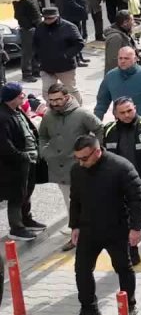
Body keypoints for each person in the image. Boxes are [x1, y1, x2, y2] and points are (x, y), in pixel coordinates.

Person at [66, 134, 141, 315]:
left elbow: (136, 198)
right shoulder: (77, 170)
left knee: (123, 268)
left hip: (116, 229)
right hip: (88, 229)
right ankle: (89, 309)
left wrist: (136, 228)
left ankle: (129, 305)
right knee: (82, 270)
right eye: (77, 158)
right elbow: (75, 199)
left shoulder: (120, 167)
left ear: (97, 151)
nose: (81, 163)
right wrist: (74, 226)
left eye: (84, 158)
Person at [37, 83, 102, 250]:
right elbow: (42, 136)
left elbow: (100, 129)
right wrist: (45, 152)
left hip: (82, 167)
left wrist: (96, 152)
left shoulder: (82, 114)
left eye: (58, 99)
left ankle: (94, 232)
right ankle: (78, 235)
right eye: (51, 100)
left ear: (66, 97)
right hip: (60, 169)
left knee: (90, 202)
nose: (55, 103)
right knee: (70, 203)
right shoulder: (48, 116)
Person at [0, 83, 41, 241]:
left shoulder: (17, 109)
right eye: (20, 95)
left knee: (27, 191)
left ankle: (26, 219)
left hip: (28, 160)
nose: (23, 96)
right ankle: (17, 228)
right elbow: (4, 145)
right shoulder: (3, 117)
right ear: (11, 98)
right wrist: (22, 156)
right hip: (15, 163)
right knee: (16, 195)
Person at [95, 47, 141, 127]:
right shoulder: (110, 77)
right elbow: (102, 102)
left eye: (126, 58)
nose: (123, 61)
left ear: (135, 59)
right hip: (121, 124)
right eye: (120, 58)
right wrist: (96, 122)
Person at [34, 6, 85, 101]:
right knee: (47, 91)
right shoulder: (40, 27)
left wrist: (66, 55)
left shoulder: (69, 27)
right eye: (45, 18)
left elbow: (79, 43)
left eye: (50, 18)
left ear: (57, 16)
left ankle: (77, 110)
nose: (47, 20)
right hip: (46, 67)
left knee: (70, 90)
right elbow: (35, 44)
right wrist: (38, 59)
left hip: (65, 67)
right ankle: (53, 110)